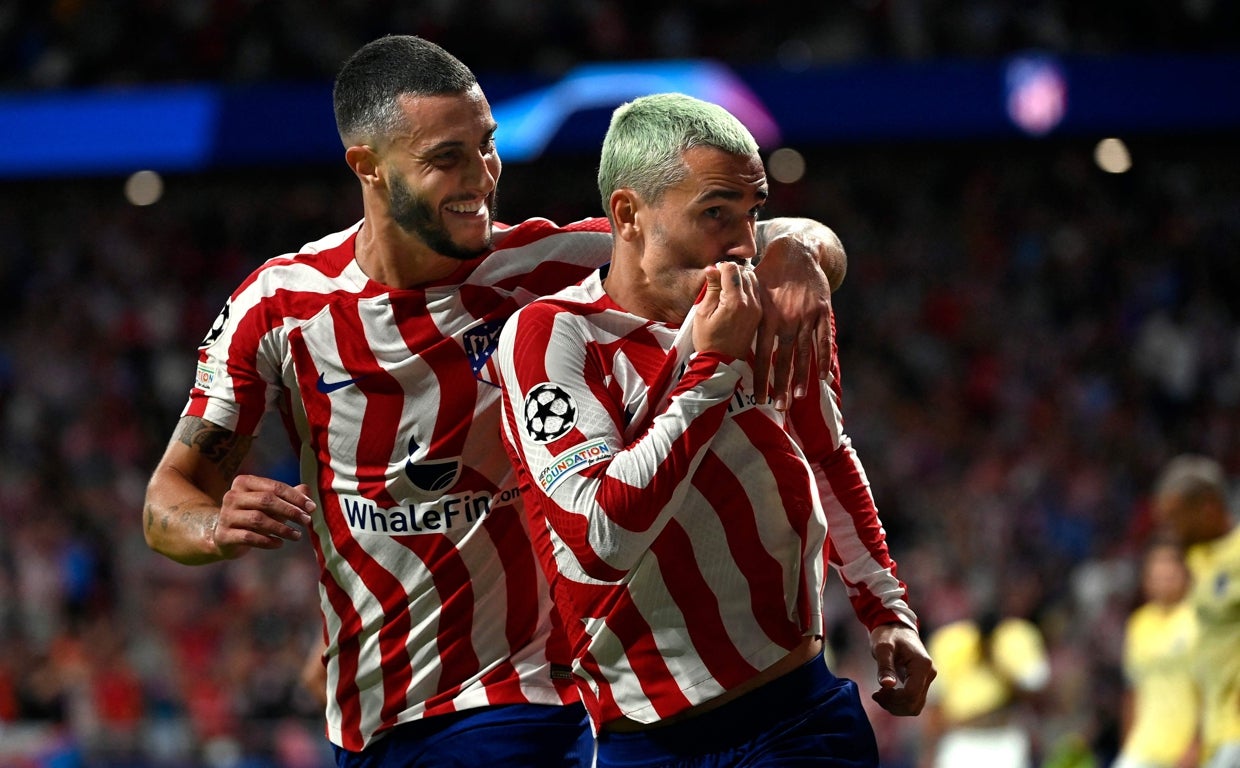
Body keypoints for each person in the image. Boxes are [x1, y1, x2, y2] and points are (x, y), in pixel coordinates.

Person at [142, 34, 847, 767]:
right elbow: (168, 502)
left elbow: (745, 235)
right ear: (368, 167)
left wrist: (800, 252)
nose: (482, 176)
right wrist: (212, 525)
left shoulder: (549, 265)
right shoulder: (280, 306)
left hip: (537, 703)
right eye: (447, 158)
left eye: (487, 145)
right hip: (376, 714)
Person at [494, 92, 934, 768]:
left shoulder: (766, 305)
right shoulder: (554, 335)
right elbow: (601, 543)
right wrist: (713, 370)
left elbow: (824, 451)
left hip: (798, 717)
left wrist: (887, 610)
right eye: (716, 215)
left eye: (754, 214)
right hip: (647, 741)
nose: (744, 243)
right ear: (628, 214)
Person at [1151, 454, 1240, 768]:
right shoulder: (1198, 558)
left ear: (1209, 507)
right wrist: (1197, 737)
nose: (1172, 528)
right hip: (1215, 731)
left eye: (1177, 517)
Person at [919, 608, 1050, 768]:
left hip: (1004, 738)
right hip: (962, 740)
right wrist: (929, 751)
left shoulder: (1016, 640)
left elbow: (1039, 695)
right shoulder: (951, 644)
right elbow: (935, 706)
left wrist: (1001, 666)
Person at [1113, 537, 1200, 768]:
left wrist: (1196, 745)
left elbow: (1212, 688)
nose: (1163, 582)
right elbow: (1132, 689)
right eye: (1156, 577)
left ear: (1185, 574)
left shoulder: (1199, 619)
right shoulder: (1138, 623)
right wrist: (1127, 743)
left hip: (1184, 750)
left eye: (1169, 576)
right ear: (1146, 581)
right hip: (1142, 747)